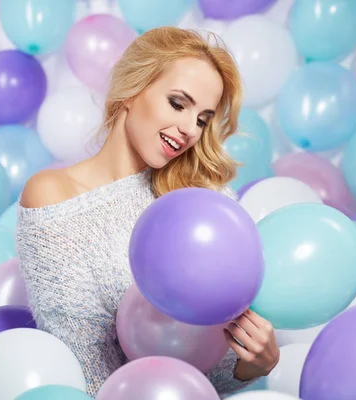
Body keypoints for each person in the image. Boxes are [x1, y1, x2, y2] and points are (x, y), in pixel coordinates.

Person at [16, 26, 280, 398]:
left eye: (203, 119)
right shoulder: (54, 199)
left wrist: (251, 367)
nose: (190, 129)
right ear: (132, 90)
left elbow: (218, 354)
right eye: (178, 103)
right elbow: (85, 368)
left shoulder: (205, 197)